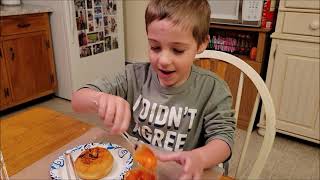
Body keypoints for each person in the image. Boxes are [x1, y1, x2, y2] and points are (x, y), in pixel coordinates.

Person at [71, 0, 235, 179]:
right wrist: (100, 99)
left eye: (178, 50)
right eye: (155, 47)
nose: (163, 60)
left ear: (202, 43)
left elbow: (224, 140)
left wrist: (201, 157)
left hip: (181, 174)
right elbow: (77, 100)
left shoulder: (213, 89)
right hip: (137, 170)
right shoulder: (133, 76)